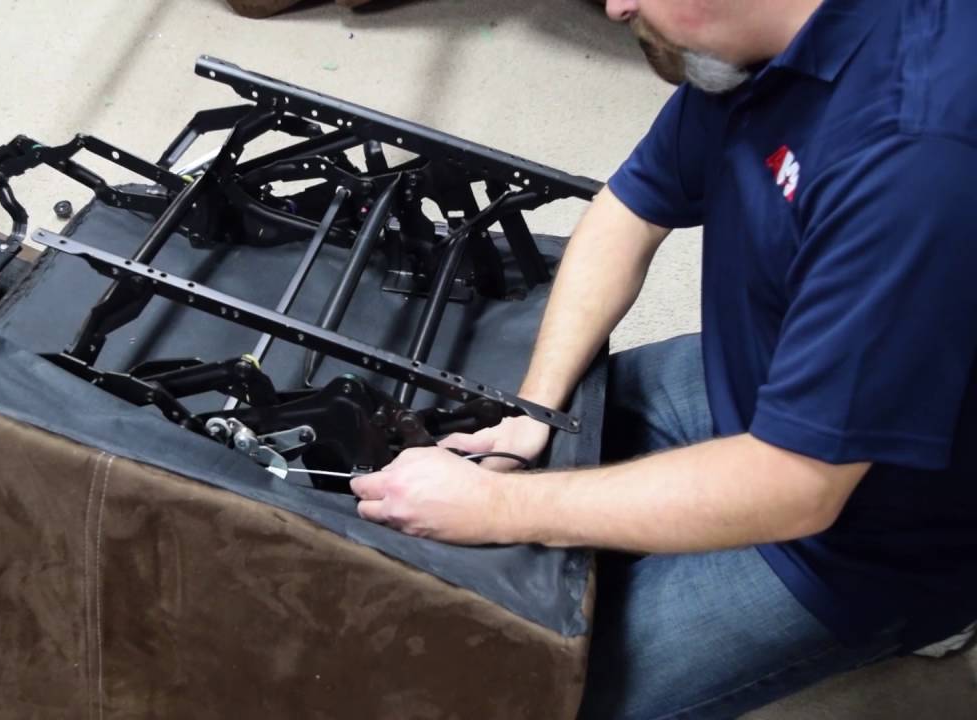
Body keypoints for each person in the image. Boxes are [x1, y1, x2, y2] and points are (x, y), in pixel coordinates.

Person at [348, 1, 977, 717]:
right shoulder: (755, 44)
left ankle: (933, 616)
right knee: (529, 472)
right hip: (772, 375)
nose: (614, 6)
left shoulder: (918, 155)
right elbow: (631, 206)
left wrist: (500, 506)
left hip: (863, 534)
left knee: (525, 688)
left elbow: (797, 484)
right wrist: (536, 406)